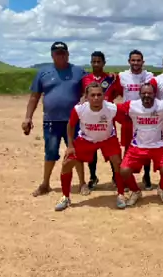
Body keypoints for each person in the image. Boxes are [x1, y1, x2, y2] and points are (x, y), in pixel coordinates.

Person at [22, 41, 86, 197]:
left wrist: (84, 100)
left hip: (74, 121)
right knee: (50, 152)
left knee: (76, 152)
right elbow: (34, 96)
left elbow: (89, 90)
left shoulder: (78, 72)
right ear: (52, 55)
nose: (61, 56)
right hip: (51, 120)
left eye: (63, 53)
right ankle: (45, 184)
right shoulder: (43, 73)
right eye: (57, 53)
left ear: (68, 54)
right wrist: (28, 117)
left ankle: (82, 183)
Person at [54, 83, 127, 211]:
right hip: (86, 139)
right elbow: (70, 125)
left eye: (99, 95)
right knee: (67, 163)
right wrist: (70, 146)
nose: (96, 98)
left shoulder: (111, 108)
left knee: (117, 162)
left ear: (104, 96)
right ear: (86, 97)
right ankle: (65, 197)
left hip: (107, 139)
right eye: (92, 95)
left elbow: (125, 121)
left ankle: (121, 194)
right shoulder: (79, 109)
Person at [117, 83, 163, 208]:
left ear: (154, 94)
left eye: (149, 93)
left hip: (158, 146)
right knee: (124, 171)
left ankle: (162, 189)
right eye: (144, 93)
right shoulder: (131, 105)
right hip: (137, 146)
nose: (146, 95)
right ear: (139, 94)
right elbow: (111, 108)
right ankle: (136, 191)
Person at [105, 51, 155, 190]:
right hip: (128, 117)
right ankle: (127, 178)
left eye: (138, 60)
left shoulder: (149, 76)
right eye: (133, 60)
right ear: (129, 61)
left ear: (143, 62)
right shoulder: (122, 76)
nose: (136, 63)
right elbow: (113, 91)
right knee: (128, 148)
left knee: (146, 146)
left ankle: (146, 175)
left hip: (145, 116)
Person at [81, 51, 116, 189]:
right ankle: (93, 177)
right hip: (90, 118)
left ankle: (115, 177)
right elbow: (82, 96)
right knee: (92, 149)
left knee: (111, 149)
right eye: (93, 61)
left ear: (104, 63)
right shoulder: (85, 79)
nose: (96, 64)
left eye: (98, 61)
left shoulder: (111, 78)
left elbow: (117, 92)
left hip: (106, 118)